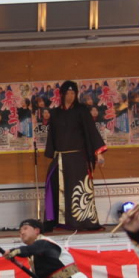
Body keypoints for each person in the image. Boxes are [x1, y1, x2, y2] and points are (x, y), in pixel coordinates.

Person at [43, 79, 106, 231]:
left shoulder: (81, 111)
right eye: (67, 93)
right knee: (55, 187)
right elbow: (52, 134)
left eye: (73, 93)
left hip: (78, 159)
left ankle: (82, 221)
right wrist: (52, 153)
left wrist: (98, 153)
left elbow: (91, 131)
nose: (70, 96)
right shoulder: (56, 113)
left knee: (79, 190)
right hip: (61, 158)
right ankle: (60, 221)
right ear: (62, 95)